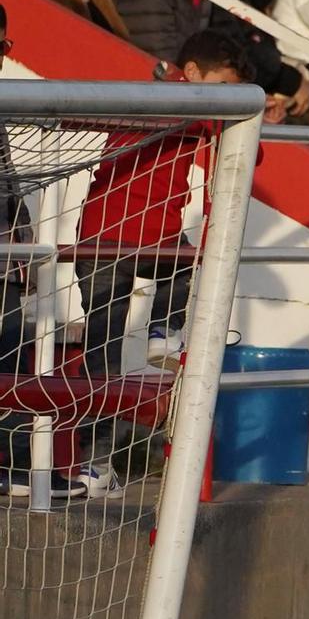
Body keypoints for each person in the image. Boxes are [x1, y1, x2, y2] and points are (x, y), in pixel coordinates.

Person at [76, 28, 254, 377]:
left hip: (99, 235)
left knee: (100, 356)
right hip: (142, 238)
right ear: (191, 73)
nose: (226, 100)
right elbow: (251, 149)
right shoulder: (196, 106)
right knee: (186, 264)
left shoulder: (151, 98)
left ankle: (97, 428)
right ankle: (162, 333)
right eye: (223, 89)